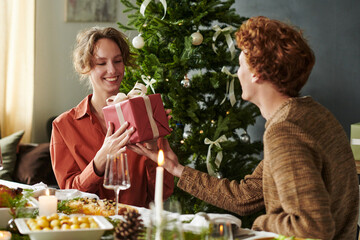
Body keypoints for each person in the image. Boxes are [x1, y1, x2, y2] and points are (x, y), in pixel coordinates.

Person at [128, 16, 359, 239]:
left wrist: (260, 224)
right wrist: (176, 168)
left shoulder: (286, 131)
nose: (238, 73)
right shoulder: (308, 113)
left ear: (257, 73)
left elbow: (313, 228)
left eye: (240, 65)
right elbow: (245, 196)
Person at [50, 27, 174, 208]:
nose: (112, 70)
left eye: (118, 61)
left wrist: (153, 146)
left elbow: (162, 194)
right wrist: (99, 162)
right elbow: (69, 197)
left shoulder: (145, 116)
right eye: (101, 63)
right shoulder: (63, 126)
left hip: (135, 228)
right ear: (85, 67)